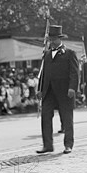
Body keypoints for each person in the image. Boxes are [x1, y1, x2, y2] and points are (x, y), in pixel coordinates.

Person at [36, 25, 79, 154]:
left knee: (67, 118)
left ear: (60, 39)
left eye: (54, 39)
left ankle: (68, 144)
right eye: (50, 39)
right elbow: (43, 73)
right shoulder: (47, 55)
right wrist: (39, 89)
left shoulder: (70, 53)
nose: (52, 41)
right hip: (48, 91)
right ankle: (47, 145)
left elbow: (75, 72)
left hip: (64, 91)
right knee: (45, 117)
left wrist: (72, 88)